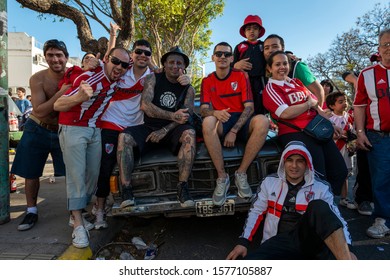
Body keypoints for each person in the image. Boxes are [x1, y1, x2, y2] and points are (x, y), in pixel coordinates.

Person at [54, 47, 131, 248]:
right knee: (76, 176)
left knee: (93, 175)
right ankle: (78, 224)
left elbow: (142, 71)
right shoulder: (89, 77)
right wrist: (78, 97)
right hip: (73, 128)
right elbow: (58, 104)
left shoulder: (116, 82)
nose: (120, 67)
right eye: (116, 61)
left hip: (94, 129)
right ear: (107, 60)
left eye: (125, 65)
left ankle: (75, 212)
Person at [226, 141, 355, 260]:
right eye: (290, 160)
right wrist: (243, 242)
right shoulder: (269, 183)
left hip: (310, 243)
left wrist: (348, 249)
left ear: (307, 164)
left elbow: (337, 220)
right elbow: (256, 212)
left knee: (319, 206)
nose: (294, 166)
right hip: (277, 242)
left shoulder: (321, 187)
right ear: (283, 162)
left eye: (300, 161)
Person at [117, 46, 196, 209]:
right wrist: (173, 115)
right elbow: (145, 106)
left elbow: (185, 117)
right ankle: (126, 189)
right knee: (124, 137)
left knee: (189, 134)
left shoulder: (189, 89)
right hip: (150, 127)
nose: (175, 66)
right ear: (164, 65)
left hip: (173, 129)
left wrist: (166, 129)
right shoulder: (152, 78)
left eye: (179, 63)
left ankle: (183, 187)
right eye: (171, 62)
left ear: (184, 67)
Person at [263, 51, 347, 196]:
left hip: (316, 130)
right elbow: (286, 113)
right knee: (319, 176)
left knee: (340, 170)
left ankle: (327, 205)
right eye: (277, 64)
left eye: (285, 63)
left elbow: (316, 107)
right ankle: (317, 211)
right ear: (269, 68)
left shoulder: (296, 82)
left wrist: (331, 124)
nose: (282, 67)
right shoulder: (271, 89)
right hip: (296, 134)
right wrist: (307, 104)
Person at [94, 39, 154, 229]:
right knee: (106, 167)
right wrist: (92, 63)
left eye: (147, 53)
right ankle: (100, 211)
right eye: (139, 52)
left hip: (135, 127)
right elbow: (104, 66)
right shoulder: (121, 70)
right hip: (111, 123)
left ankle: (129, 200)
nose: (143, 55)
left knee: (135, 167)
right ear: (132, 55)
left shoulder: (152, 76)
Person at [200, 42, 269, 206]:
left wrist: (234, 131)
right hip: (221, 120)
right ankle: (222, 177)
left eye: (226, 54)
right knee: (208, 121)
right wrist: (214, 112)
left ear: (232, 58)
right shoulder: (207, 80)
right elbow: (203, 110)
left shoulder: (240, 75)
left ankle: (241, 173)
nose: (222, 57)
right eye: (218, 54)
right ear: (213, 58)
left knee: (263, 121)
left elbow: (249, 107)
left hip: (241, 121)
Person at [11, 39, 69, 231]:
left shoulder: (74, 75)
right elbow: (40, 110)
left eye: (59, 55)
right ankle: (31, 211)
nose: (55, 59)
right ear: (45, 58)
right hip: (37, 128)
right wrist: (60, 93)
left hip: (62, 130)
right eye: (50, 55)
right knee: (31, 172)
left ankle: (76, 210)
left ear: (66, 58)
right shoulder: (38, 78)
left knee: (73, 173)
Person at [353, 28, 390, 239]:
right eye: (385, 44)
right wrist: (360, 132)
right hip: (379, 135)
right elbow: (358, 105)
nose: (389, 49)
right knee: (381, 179)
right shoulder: (367, 74)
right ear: (379, 48)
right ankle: (382, 220)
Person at [341, 70, 373, 216]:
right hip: (365, 129)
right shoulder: (361, 83)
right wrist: (359, 132)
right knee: (364, 165)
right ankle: (363, 198)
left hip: (381, 126)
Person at [263, 34, 325, 107]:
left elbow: (318, 90)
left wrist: (318, 114)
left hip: (305, 116)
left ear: (282, 48)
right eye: (266, 48)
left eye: (275, 46)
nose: (270, 50)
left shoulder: (297, 66)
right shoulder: (264, 69)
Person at [326, 91, 357, 209]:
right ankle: (330, 197)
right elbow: (330, 134)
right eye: (340, 102)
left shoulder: (350, 116)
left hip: (347, 150)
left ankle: (344, 198)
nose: (345, 103)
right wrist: (340, 135)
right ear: (332, 106)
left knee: (346, 174)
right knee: (333, 174)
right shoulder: (330, 118)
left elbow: (354, 131)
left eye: (345, 101)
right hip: (335, 150)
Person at [233, 15, 267, 114]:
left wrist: (288, 55)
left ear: (259, 31)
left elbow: (275, 55)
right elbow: (231, 64)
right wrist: (236, 65)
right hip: (244, 81)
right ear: (244, 32)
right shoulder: (239, 46)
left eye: (255, 29)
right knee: (244, 106)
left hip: (261, 81)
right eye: (248, 29)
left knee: (260, 106)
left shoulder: (264, 45)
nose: (252, 31)